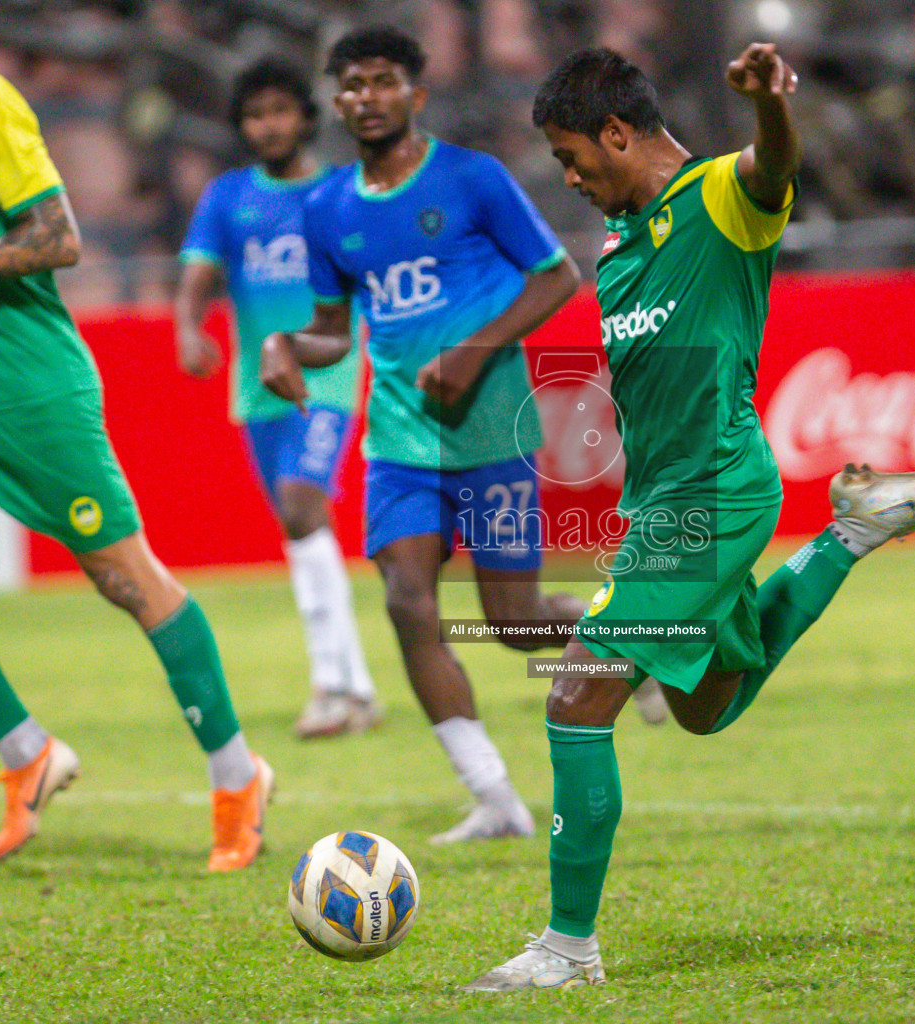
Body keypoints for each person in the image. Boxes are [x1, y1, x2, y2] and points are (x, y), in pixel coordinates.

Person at [462, 44, 915, 990]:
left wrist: (772, 109)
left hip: (715, 492)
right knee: (709, 705)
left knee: (577, 692)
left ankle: (566, 948)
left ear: (616, 133)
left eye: (572, 157)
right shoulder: (622, 246)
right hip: (662, 501)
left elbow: (772, 167)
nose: (572, 178)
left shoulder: (715, 199)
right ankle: (849, 536)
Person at [0, 0, 271, 871]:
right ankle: (29, 754)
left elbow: (59, 239)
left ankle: (239, 778)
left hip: (32, 389)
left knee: (128, 579)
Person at [260, 26, 665, 845]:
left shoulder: (472, 180)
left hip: (488, 435)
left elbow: (557, 275)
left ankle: (631, 637)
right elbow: (334, 332)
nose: (364, 97)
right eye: (350, 85)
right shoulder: (327, 206)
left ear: (416, 92)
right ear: (335, 101)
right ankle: (492, 795)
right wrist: (284, 345)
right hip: (399, 445)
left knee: (512, 621)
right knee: (409, 602)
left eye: (381, 81)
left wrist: (473, 353)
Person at [175, 57, 382, 741]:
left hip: (325, 373)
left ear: (304, 116)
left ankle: (330, 685)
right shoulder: (228, 197)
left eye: (280, 110)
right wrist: (186, 327)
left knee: (300, 505)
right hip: (254, 392)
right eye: (256, 114)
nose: (269, 124)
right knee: (302, 530)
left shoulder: (338, 193)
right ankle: (356, 688)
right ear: (243, 126)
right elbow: (200, 272)